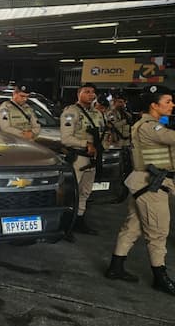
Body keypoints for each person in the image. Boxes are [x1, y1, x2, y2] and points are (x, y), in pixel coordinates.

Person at [105, 85, 175, 296]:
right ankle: (159, 277)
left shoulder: (151, 124)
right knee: (158, 232)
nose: (172, 105)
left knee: (132, 227)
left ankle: (115, 268)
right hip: (151, 186)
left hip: (145, 184)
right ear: (153, 105)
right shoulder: (149, 127)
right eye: (168, 102)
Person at [60, 83, 105, 241]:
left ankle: (79, 220)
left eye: (93, 92)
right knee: (72, 193)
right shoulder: (71, 112)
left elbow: (102, 133)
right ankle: (65, 226)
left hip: (93, 159)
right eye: (87, 92)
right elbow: (66, 138)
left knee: (85, 192)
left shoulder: (97, 114)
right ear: (79, 94)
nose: (91, 95)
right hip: (78, 158)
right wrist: (85, 145)